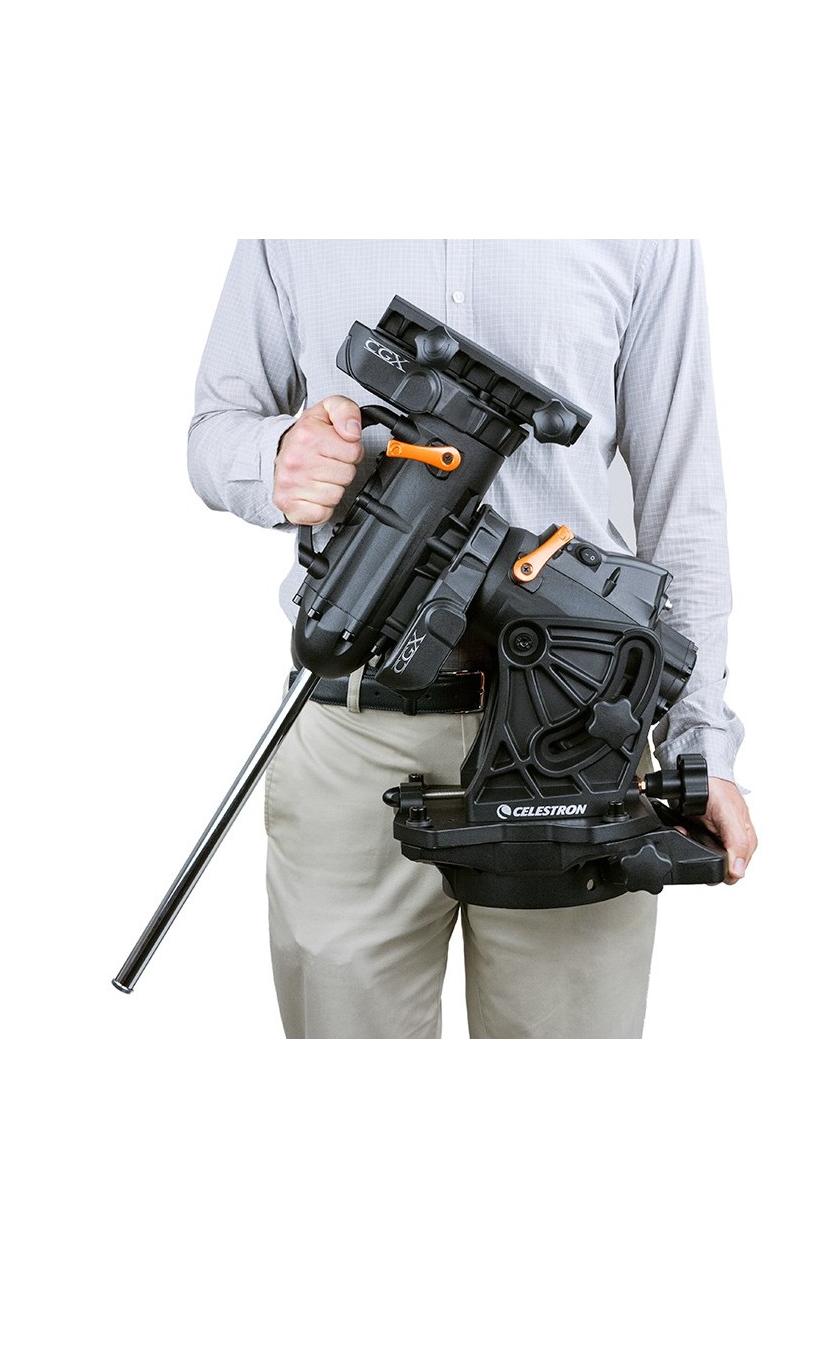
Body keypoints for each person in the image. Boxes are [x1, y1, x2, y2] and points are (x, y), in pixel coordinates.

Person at [188, 240, 756, 1039]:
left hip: (574, 739)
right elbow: (215, 430)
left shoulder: (643, 232)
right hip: (352, 738)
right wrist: (276, 457)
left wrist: (702, 748)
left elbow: (683, 493)